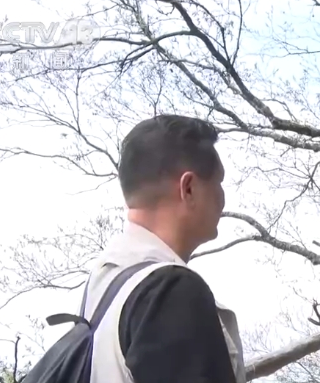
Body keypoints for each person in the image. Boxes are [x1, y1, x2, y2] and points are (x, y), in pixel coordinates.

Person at [82, 115, 245, 383]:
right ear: (188, 189)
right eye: (218, 182)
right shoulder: (170, 291)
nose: (222, 197)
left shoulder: (102, 285)